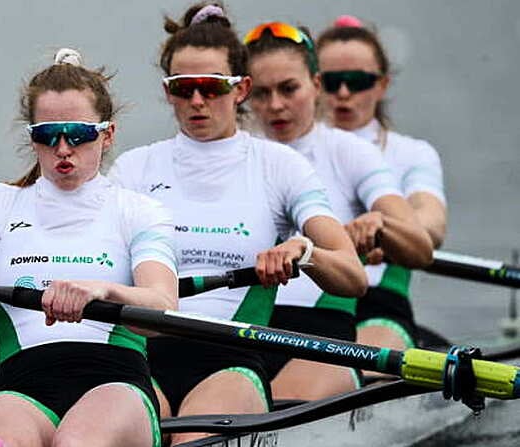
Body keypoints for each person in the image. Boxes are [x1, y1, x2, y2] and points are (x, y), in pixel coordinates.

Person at [108, 4, 366, 445]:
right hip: (140, 355)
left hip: (230, 362)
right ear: (167, 91)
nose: (196, 101)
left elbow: (353, 275)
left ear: (241, 89)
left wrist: (304, 252)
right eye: (182, 88)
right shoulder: (133, 168)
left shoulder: (280, 166)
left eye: (210, 87)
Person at [0, 48, 178, 447]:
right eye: (47, 136)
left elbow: (163, 308)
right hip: (23, 394)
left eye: (78, 134)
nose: (63, 148)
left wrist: (103, 290)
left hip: (116, 392)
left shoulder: (139, 211)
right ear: (32, 139)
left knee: (76, 443)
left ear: (107, 134)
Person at [244, 21, 434, 400]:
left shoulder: (349, 151)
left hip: (321, 336)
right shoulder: (236, 154)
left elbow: (421, 247)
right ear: (245, 94)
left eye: (289, 89)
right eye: (262, 93)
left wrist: (382, 226)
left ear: (315, 85)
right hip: (241, 329)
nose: (276, 105)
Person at [316, 16, 447, 350]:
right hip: (303, 304)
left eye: (357, 81)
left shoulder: (412, 153)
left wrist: (385, 231)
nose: (343, 93)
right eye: (332, 82)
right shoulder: (287, 153)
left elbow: (431, 226)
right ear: (313, 83)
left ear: (382, 84)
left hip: (377, 302)